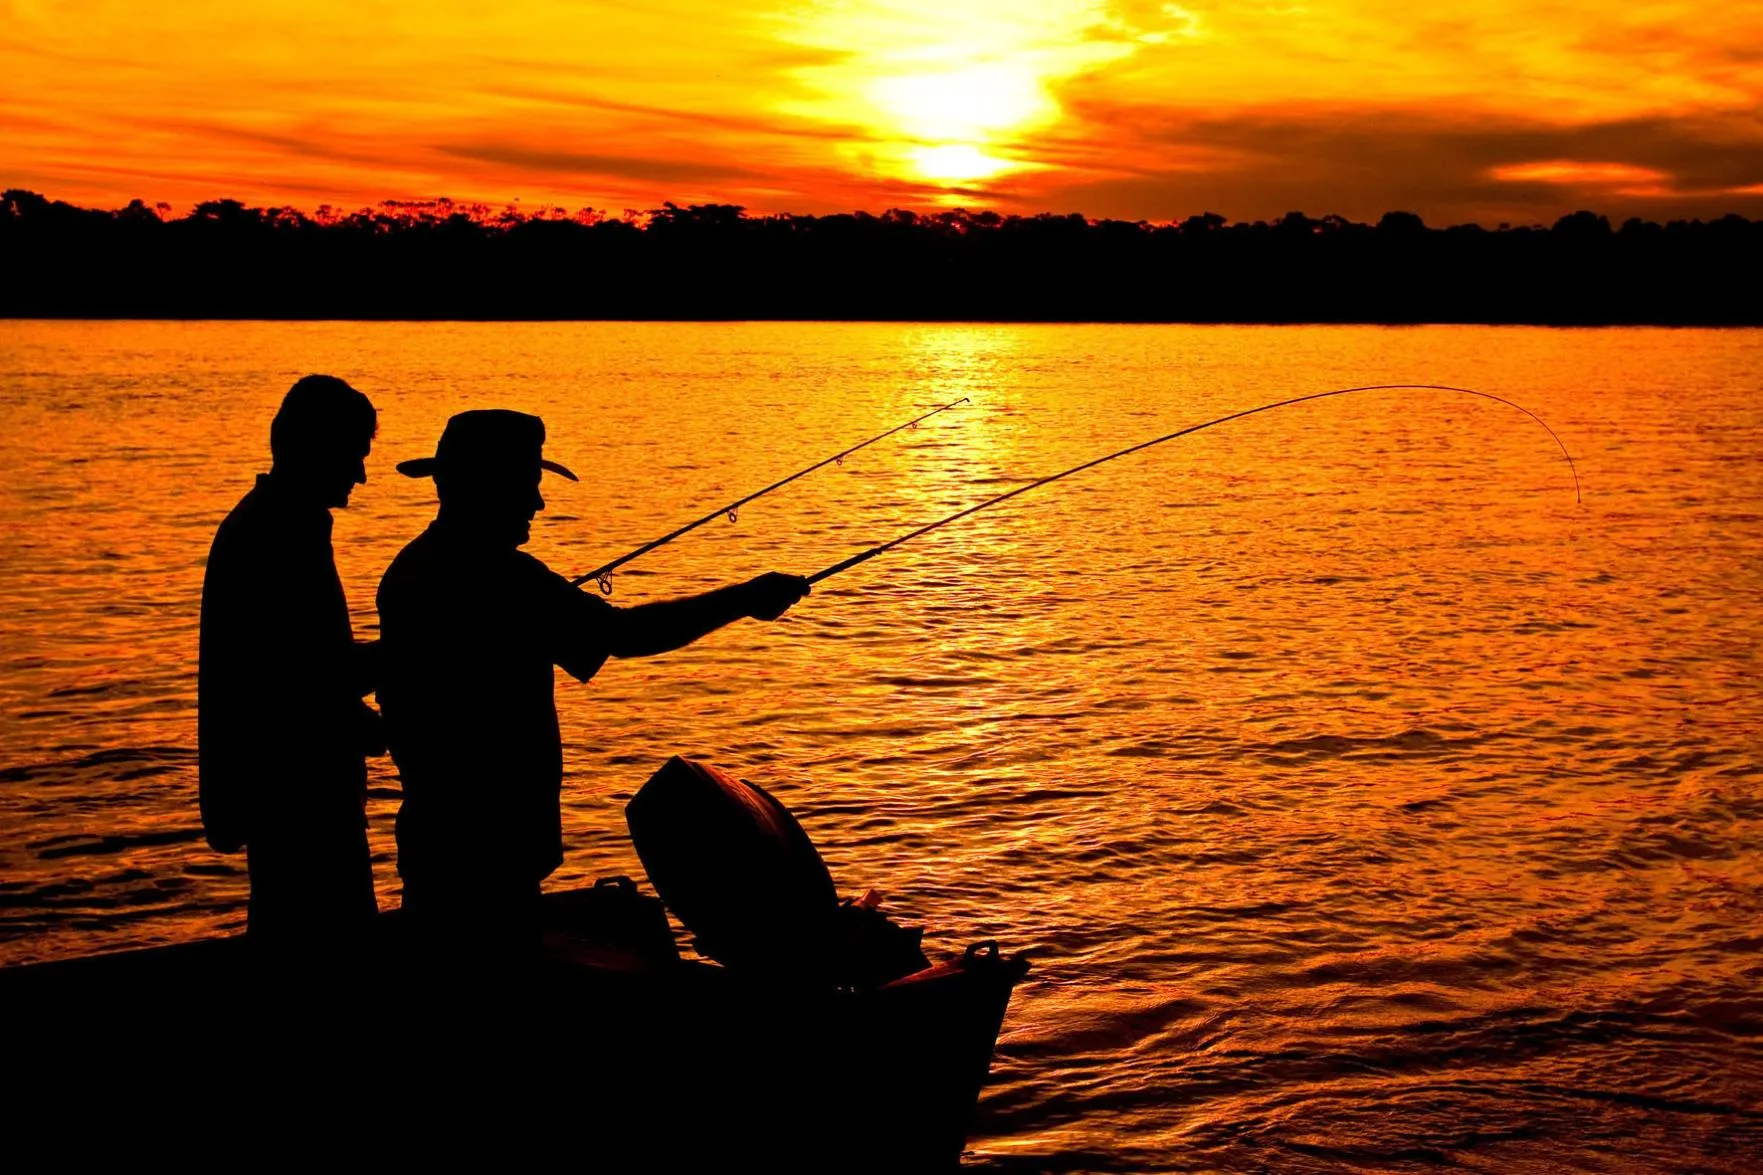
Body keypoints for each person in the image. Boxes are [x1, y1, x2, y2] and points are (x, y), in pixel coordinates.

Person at [377, 409, 808, 951]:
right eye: (526, 485)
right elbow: (624, 635)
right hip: (490, 854)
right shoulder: (507, 581)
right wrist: (743, 598)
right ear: (487, 486)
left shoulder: (411, 568)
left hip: (435, 840)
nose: (537, 503)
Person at [198, 375, 384, 947]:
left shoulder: (269, 524)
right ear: (311, 447)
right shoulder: (279, 537)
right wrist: (416, 660)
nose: (360, 474)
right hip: (300, 801)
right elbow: (304, 682)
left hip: (282, 794)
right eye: (352, 455)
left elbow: (307, 665)